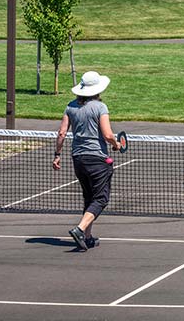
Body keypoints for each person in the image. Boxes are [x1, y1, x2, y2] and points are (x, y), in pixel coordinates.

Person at [53, 71, 121, 251]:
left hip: (78, 159)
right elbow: (107, 134)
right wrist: (117, 145)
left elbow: (61, 133)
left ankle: (87, 236)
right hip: (97, 159)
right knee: (101, 199)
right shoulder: (101, 108)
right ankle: (80, 229)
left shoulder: (70, 107)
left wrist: (57, 155)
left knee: (89, 197)